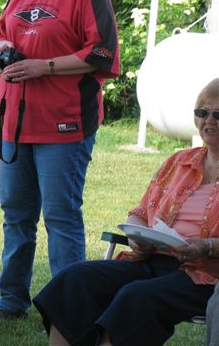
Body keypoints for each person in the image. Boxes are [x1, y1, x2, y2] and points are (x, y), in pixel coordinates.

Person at [0, 0, 120, 324]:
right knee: (16, 217)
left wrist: (45, 66)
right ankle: (11, 302)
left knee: (61, 218)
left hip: (64, 124)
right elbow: (1, 31)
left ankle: (68, 311)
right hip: (17, 124)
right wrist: (2, 50)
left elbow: (102, 52)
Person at [33, 77, 219, 346]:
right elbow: (140, 212)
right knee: (74, 280)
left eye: (218, 114)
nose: (209, 121)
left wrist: (206, 247)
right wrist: (137, 235)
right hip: (153, 260)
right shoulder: (179, 161)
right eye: (202, 112)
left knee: (136, 297)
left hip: (205, 275)